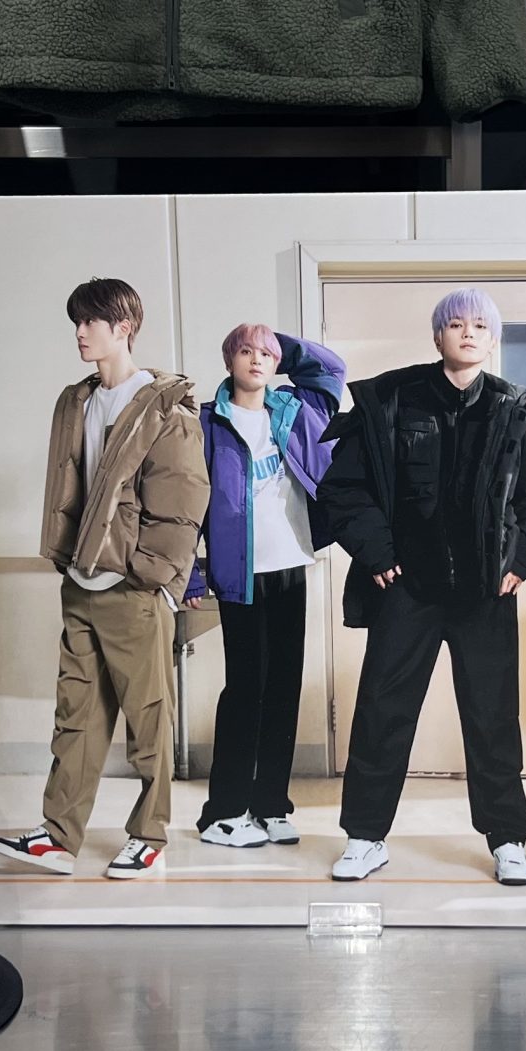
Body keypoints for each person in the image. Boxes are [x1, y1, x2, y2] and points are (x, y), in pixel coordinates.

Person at [321, 287, 526, 888]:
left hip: (485, 592)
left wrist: (520, 561)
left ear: (493, 339)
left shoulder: (509, 409)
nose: (468, 332)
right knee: (382, 711)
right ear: (438, 336)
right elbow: (344, 488)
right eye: (456, 324)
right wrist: (377, 553)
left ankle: (507, 839)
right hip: (409, 588)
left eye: (480, 325)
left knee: (492, 717)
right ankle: (365, 838)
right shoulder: (391, 400)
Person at [0, 280, 206, 883]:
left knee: (149, 718)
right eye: (77, 322)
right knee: (76, 715)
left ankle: (150, 835)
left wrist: (150, 577)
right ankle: (59, 836)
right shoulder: (77, 401)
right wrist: (69, 562)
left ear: (124, 327)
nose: (80, 333)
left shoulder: (164, 407)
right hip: (80, 582)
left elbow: (182, 501)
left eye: (91, 321)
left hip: (132, 590)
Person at [188, 326, 346, 850]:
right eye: (246, 351)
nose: (256, 361)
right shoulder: (206, 423)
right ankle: (223, 811)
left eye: (266, 355)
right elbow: (186, 503)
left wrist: (271, 338)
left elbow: (331, 369)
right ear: (228, 359)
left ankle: (272, 804)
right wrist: (188, 571)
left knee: (283, 688)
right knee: (244, 689)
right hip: (240, 572)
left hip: (291, 563)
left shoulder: (295, 411)